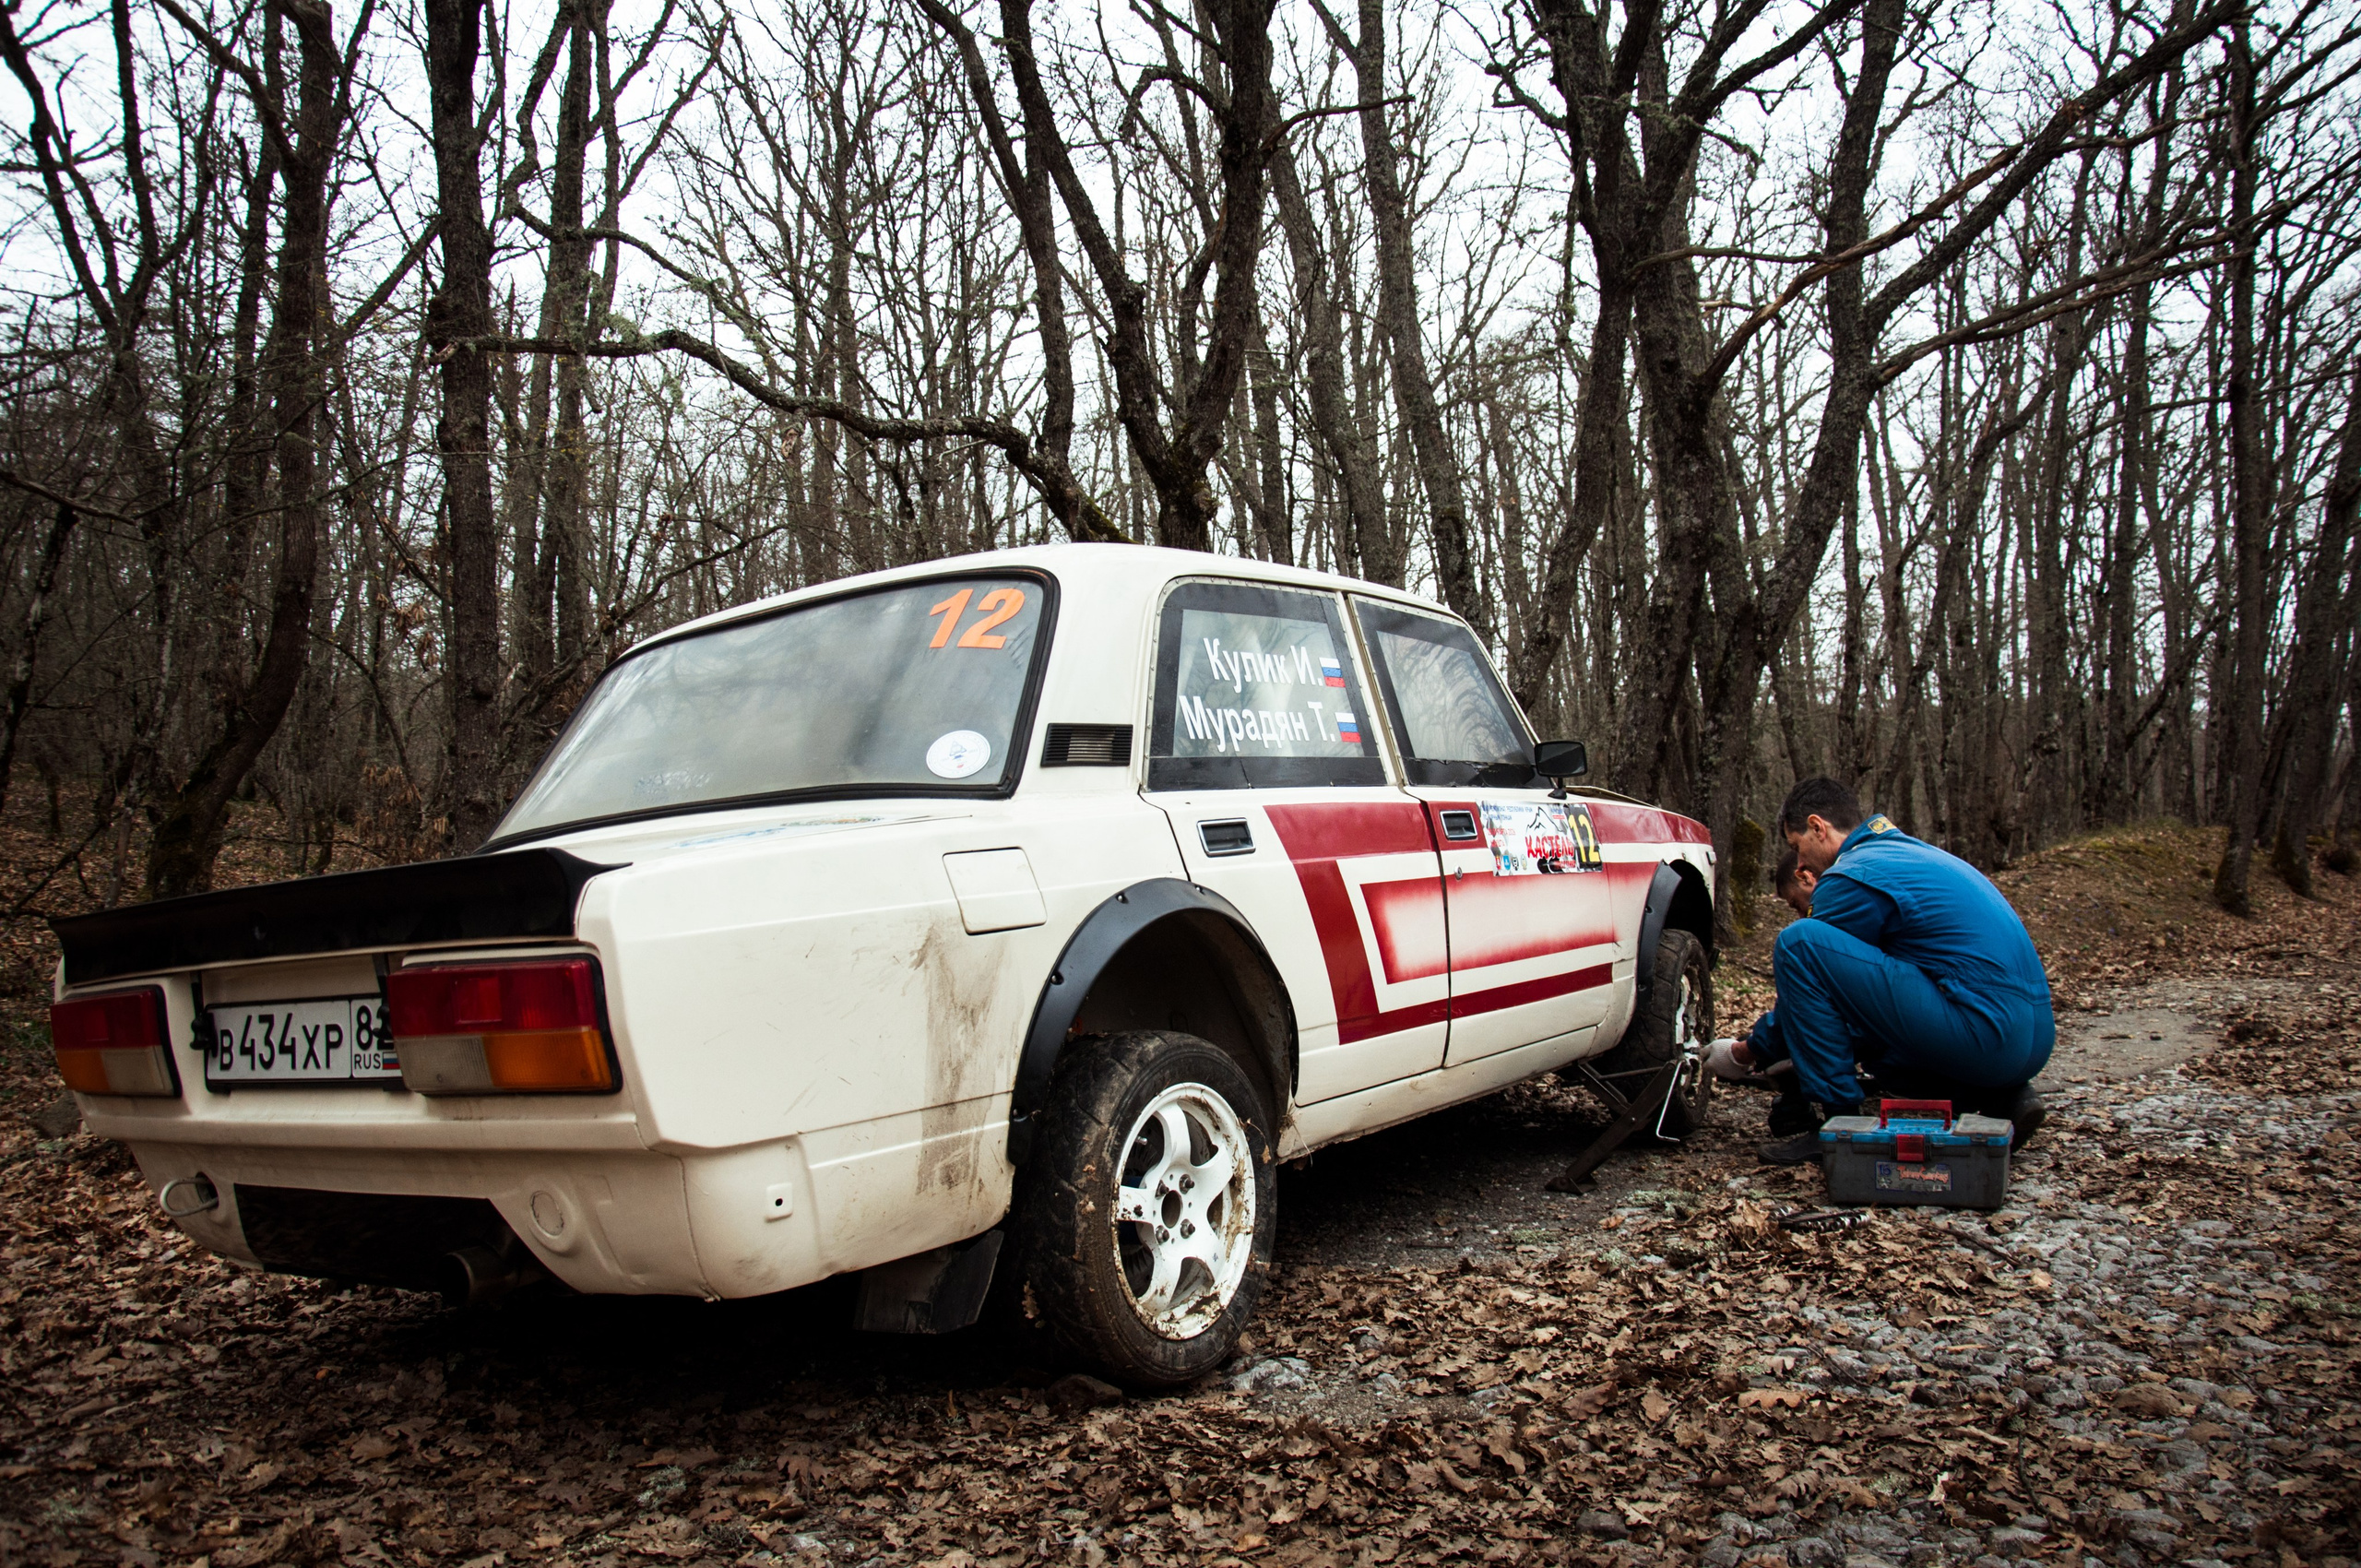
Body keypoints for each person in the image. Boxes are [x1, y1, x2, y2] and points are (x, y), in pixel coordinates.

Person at [1751, 778, 2053, 1164]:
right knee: (1875, 1039)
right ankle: (2000, 1097)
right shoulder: (1912, 854)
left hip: (1987, 1034)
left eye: (1798, 848)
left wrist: (1749, 1050)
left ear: (1817, 827)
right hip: (2031, 1038)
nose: (1800, 864)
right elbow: (1864, 998)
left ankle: (1838, 1125)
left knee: (1799, 944)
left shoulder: (1849, 876)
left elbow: (1808, 990)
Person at [1701, 848, 1821, 1135]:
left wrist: (1743, 1053)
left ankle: (1839, 1126)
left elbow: (1802, 1012)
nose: (1798, 913)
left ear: (1806, 878)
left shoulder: (1819, 929)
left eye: (1795, 903)